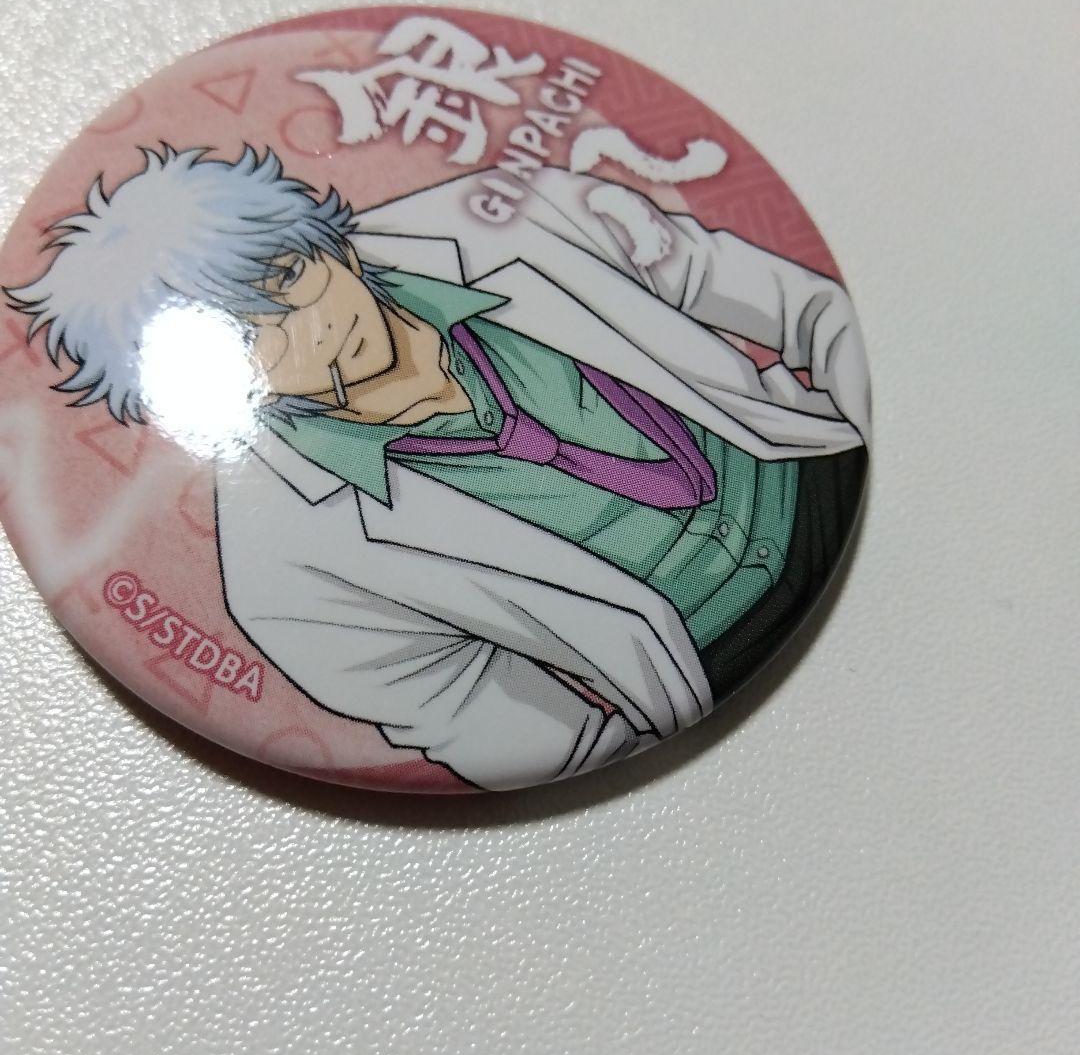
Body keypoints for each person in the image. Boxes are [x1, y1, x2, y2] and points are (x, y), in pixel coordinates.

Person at [7, 146, 869, 790]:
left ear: (327, 241)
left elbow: (794, 301)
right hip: (724, 677)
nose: (314, 332)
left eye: (288, 276)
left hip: (823, 473)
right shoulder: (286, 576)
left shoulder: (510, 216)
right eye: (244, 338)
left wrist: (850, 414)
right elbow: (529, 737)